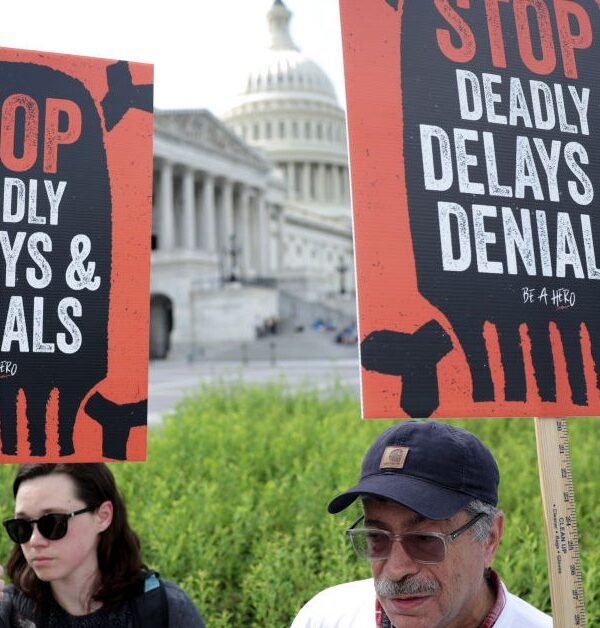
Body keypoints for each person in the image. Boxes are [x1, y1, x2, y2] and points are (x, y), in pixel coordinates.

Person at [291, 420, 552, 627]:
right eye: (376, 537)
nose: (396, 570)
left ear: (490, 538)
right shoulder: (326, 616)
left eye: (425, 539)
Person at [0, 463, 205, 627]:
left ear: (103, 516)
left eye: (52, 523)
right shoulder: (8, 612)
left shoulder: (164, 609)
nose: (34, 541)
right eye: (22, 526)